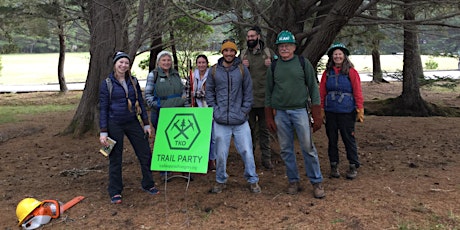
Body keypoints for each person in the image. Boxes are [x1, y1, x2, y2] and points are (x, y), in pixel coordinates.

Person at [265, 31, 325, 199]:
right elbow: (268, 92)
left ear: (293, 47)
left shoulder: (302, 63)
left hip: (300, 111)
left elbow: (313, 87)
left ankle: (316, 181)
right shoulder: (274, 66)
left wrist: (317, 113)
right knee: (285, 149)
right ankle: (293, 181)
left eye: (287, 46)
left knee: (308, 147)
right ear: (278, 48)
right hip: (281, 113)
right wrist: (269, 115)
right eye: (281, 46)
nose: (284, 49)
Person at [99, 51, 159, 204]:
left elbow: (140, 102)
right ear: (115, 64)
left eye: (126, 63)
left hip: (132, 121)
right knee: (115, 157)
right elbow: (103, 108)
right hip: (114, 123)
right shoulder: (107, 83)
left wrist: (146, 123)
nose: (123, 65)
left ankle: (148, 183)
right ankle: (115, 191)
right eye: (121, 62)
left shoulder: (133, 81)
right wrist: (103, 132)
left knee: (145, 153)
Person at [206, 38, 261, 194]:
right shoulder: (214, 70)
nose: (229, 53)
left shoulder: (242, 69)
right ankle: (220, 180)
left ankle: (252, 180)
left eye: (231, 50)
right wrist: (215, 109)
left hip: (240, 120)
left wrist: (244, 111)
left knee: (246, 151)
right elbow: (209, 92)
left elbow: (248, 92)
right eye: (226, 50)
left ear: (235, 52)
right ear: (222, 52)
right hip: (221, 120)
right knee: (221, 154)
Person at [320, 42, 364, 180]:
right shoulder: (327, 73)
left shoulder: (351, 72)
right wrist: (321, 109)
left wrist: (359, 108)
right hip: (330, 111)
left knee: (348, 138)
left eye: (340, 54)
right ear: (331, 57)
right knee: (332, 140)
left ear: (344, 56)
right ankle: (334, 165)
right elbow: (322, 92)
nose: (338, 57)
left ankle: (353, 165)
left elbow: (357, 90)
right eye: (335, 54)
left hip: (346, 112)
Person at [145, 50, 188, 181]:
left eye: (168, 60)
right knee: (164, 141)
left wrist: (186, 108)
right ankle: (165, 170)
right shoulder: (154, 75)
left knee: (180, 141)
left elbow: (184, 93)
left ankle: (182, 167)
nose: (166, 62)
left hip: (178, 112)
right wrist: (160, 105)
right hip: (161, 113)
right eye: (163, 60)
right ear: (158, 62)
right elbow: (147, 96)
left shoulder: (176, 75)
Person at [240, 26, 276, 170]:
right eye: (248, 36)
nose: (250, 39)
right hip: (248, 101)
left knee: (265, 132)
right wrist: (241, 66)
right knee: (248, 132)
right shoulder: (242, 55)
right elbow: (235, 73)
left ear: (258, 37)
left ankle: (266, 160)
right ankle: (250, 160)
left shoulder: (268, 53)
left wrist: (271, 65)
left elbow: (279, 71)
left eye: (252, 36)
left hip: (265, 100)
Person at [185, 54, 216, 172]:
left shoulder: (212, 76)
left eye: (203, 62)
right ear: (196, 64)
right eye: (199, 63)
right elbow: (188, 93)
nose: (201, 65)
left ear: (207, 64)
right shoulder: (192, 77)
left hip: (210, 110)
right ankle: (200, 159)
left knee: (212, 137)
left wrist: (197, 94)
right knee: (199, 136)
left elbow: (212, 93)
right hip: (196, 109)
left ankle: (211, 159)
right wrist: (189, 108)